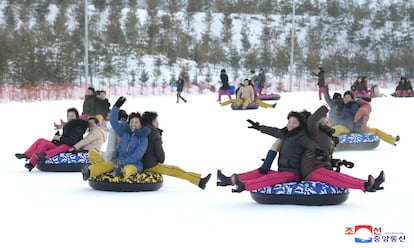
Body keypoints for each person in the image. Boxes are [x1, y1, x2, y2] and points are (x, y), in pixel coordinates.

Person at [216, 110, 326, 193]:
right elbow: (273, 131)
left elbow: (309, 144)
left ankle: (244, 186)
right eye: (289, 122)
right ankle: (228, 180)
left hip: (292, 174)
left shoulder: (300, 136)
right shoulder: (286, 134)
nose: (290, 125)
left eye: (294, 123)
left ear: (300, 125)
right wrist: (259, 127)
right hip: (283, 170)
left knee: (268, 179)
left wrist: (317, 150)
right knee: (260, 172)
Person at [301, 105, 385, 192]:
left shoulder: (327, 136)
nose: (326, 123)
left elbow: (325, 156)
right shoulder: (315, 132)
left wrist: (335, 162)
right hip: (312, 170)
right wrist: (324, 109)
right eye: (323, 121)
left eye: (327, 121)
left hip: (322, 167)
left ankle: (372, 184)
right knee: (338, 178)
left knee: (341, 177)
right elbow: (311, 121)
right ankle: (365, 184)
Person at [82, 97, 150, 181]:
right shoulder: (125, 133)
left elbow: (138, 154)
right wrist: (116, 106)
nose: (133, 125)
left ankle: (121, 173)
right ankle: (89, 171)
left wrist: (123, 162)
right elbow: (113, 122)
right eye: (132, 122)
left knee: (129, 169)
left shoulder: (143, 138)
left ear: (141, 124)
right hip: (118, 162)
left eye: (136, 122)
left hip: (134, 164)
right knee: (107, 165)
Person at [141, 111, 211, 190]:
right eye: (156, 120)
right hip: (150, 165)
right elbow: (161, 156)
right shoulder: (154, 133)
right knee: (175, 170)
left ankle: (198, 180)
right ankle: (199, 181)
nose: (158, 123)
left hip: (143, 164)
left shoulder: (142, 130)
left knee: (173, 170)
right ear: (152, 121)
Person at [15, 107, 88, 171]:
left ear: (77, 117)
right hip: (63, 144)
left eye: (72, 116)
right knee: (41, 140)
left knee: (46, 144)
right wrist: (56, 139)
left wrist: (59, 138)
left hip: (71, 147)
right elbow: (65, 138)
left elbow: (72, 141)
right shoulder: (69, 125)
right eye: (68, 116)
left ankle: (43, 157)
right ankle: (27, 156)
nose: (70, 118)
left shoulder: (77, 127)